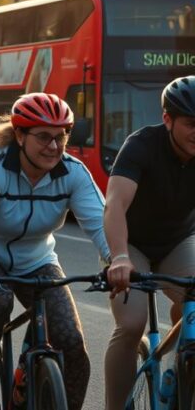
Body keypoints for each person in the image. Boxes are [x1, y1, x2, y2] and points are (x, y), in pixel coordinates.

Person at [0, 93, 109, 410]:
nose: (54, 146)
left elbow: (100, 224)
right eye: (44, 137)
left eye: (61, 136)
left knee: (72, 343)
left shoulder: (72, 172)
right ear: (20, 135)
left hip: (37, 261)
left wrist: (116, 260)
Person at [103, 76, 195, 409]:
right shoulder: (141, 145)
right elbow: (115, 205)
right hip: (134, 245)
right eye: (191, 123)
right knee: (130, 325)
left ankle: (180, 366)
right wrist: (120, 257)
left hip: (177, 243)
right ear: (167, 119)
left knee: (194, 308)